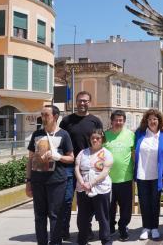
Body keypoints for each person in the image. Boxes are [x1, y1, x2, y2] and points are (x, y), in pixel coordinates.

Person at [25, 105, 74, 245]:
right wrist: (28, 181)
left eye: (46, 115)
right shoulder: (36, 134)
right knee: (39, 216)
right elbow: (29, 159)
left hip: (57, 181)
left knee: (55, 215)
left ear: (55, 117)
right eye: (42, 115)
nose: (43, 118)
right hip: (37, 181)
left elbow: (71, 158)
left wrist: (58, 157)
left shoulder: (63, 134)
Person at [59, 91, 103, 240]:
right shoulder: (66, 121)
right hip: (69, 167)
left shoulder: (95, 121)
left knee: (87, 201)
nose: (82, 103)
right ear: (75, 102)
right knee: (66, 200)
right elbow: (60, 142)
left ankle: (86, 229)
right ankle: (63, 230)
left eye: (85, 101)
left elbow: (100, 144)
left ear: (90, 102)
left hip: (88, 167)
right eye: (79, 101)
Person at [134, 109, 163, 240]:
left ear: (159, 121)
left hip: (157, 176)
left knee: (155, 202)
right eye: (149, 119)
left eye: (155, 119)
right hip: (141, 174)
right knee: (144, 202)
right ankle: (146, 228)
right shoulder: (139, 134)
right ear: (146, 121)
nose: (152, 121)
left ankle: (155, 227)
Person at [75, 129, 113, 245]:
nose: (95, 140)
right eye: (93, 138)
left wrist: (91, 184)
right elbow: (77, 168)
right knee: (83, 218)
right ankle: (82, 241)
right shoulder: (82, 152)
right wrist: (82, 182)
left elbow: (105, 171)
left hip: (100, 188)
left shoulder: (107, 153)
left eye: (98, 138)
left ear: (102, 139)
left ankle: (106, 241)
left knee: (102, 217)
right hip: (83, 188)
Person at [103, 110, 135, 241]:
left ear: (124, 121)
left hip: (125, 178)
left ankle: (123, 228)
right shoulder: (105, 135)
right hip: (107, 179)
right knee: (109, 207)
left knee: (126, 208)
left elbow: (134, 154)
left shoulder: (131, 135)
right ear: (111, 121)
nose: (118, 122)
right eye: (116, 120)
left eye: (121, 120)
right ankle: (110, 227)